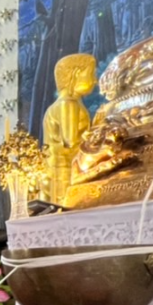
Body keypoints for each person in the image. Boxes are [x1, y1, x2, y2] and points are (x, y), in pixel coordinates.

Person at [43, 54, 96, 205]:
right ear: (76, 74)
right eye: (91, 74)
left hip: (59, 171)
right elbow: (71, 143)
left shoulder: (64, 104)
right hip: (64, 173)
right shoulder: (68, 104)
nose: (94, 80)